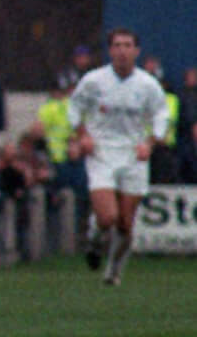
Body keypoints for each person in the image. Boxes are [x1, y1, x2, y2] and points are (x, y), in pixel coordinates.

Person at [69, 29, 171, 288]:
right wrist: (83, 136)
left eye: (127, 45)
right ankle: (94, 238)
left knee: (125, 224)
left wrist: (150, 143)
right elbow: (75, 107)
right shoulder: (94, 80)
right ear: (110, 50)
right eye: (117, 45)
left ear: (136, 51)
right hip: (102, 152)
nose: (122, 50)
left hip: (133, 155)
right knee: (108, 217)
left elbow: (161, 115)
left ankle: (113, 271)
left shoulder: (147, 85)